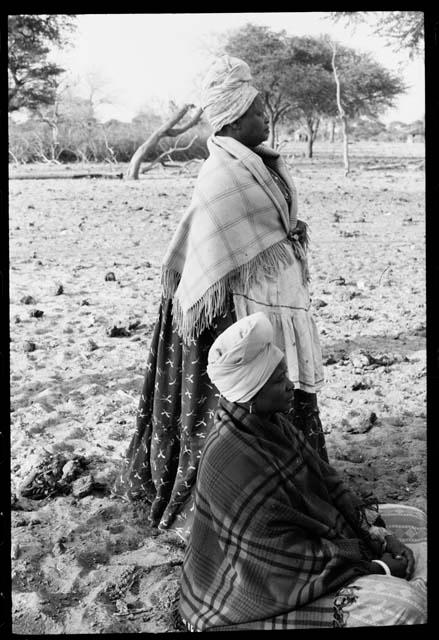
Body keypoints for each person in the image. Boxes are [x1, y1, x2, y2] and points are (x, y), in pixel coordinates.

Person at [116, 55, 327, 541]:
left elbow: (269, 229)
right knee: (237, 400)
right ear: (232, 118)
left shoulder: (260, 163)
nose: (265, 119)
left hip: (270, 300)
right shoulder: (222, 175)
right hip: (228, 310)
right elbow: (215, 251)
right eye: (257, 112)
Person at [179, 312, 427, 630]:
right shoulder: (234, 461)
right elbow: (281, 563)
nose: (291, 385)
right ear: (253, 394)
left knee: (414, 519)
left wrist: (382, 536)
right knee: (408, 607)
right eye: (279, 379)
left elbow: (327, 482)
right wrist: (378, 566)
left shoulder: (269, 423)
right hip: (250, 590)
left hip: (303, 551)